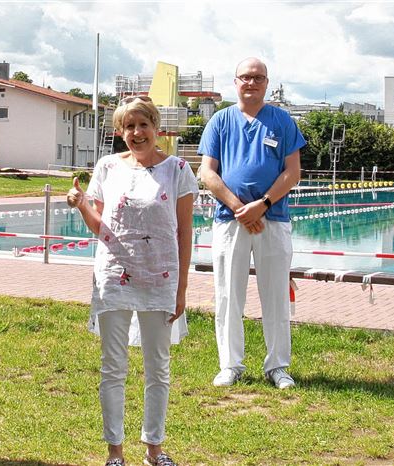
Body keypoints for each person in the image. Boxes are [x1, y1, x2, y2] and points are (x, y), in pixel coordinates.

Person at [69, 96, 197, 466]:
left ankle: (154, 449)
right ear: (120, 132)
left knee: (158, 367)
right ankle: (115, 452)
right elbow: (101, 227)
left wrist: (182, 288)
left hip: (161, 279)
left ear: (156, 127)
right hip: (113, 278)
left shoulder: (178, 169)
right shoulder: (108, 167)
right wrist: (81, 204)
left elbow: (184, 232)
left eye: (143, 125)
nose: (137, 133)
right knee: (113, 366)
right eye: (129, 127)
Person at [197, 58, 306, 389]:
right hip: (230, 222)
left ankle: (278, 366)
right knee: (228, 294)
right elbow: (207, 172)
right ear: (236, 82)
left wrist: (263, 205)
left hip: (272, 220)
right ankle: (230, 364)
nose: (251, 82)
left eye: (258, 78)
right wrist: (239, 207)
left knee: (275, 294)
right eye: (246, 77)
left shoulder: (282, 121)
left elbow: (293, 172)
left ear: (266, 83)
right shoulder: (220, 121)